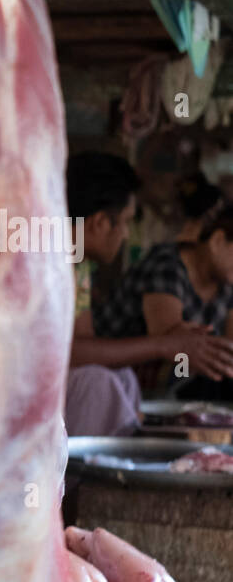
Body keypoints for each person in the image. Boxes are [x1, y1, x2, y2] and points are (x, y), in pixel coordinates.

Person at [64, 153, 233, 434]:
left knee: (121, 377)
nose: (127, 235)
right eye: (126, 222)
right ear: (99, 223)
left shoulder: (79, 269)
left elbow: (83, 344)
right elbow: (67, 354)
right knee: (99, 383)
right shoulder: (40, 260)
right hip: (8, 389)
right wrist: (163, 344)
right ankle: (96, 470)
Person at [91, 201, 233, 401]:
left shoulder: (226, 284)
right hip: (112, 378)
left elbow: (227, 347)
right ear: (218, 241)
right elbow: (172, 344)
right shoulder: (167, 265)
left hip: (171, 383)